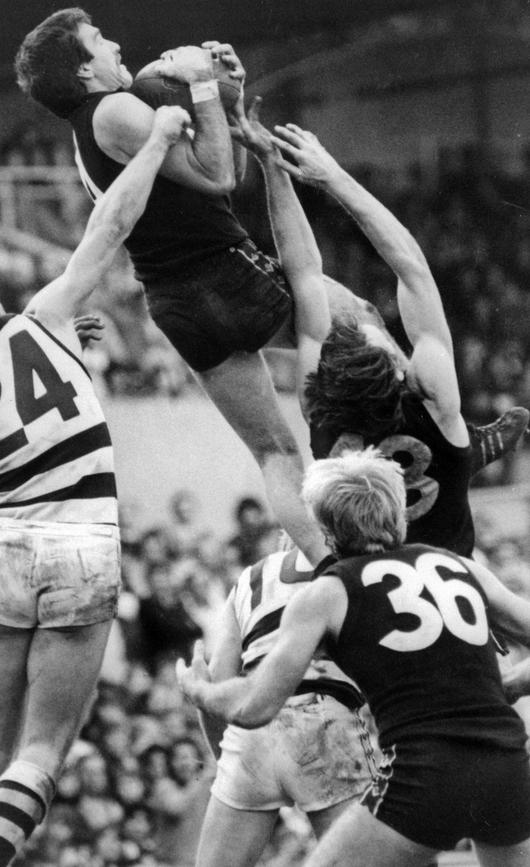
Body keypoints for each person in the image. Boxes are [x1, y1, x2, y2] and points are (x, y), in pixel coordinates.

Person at [0, 104, 192, 867]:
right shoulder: (44, 316)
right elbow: (112, 224)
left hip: (6, 546)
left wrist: (69, 351)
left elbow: (9, 391)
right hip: (80, 541)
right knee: (43, 749)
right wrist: (156, 139)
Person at [13, 7, 374, 566]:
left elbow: (213, 159)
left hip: (176, 304)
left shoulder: (88, 132)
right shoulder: (114, 108)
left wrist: (226, 93)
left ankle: (331, 567)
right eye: (99, 40)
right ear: (84, 72)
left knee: (274, 450)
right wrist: (204, 81)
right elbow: (219, 175)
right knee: (362, 321)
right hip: (223, 272)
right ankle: (440, 444)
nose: (113, 44)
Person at [178, 447, 530, 867]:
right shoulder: (456, 564)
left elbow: (255, 707)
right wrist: (514, 683)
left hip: (425, 773)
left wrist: (200, 691)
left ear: (324, 530)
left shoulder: (330, 590)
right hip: (508, 764)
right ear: (400, 514)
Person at [262, 117, 528, 556]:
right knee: (363, 313)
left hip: (365, 589)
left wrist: (271, 168)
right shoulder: (434, 404)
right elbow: (412, 268)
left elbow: (303, 273)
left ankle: (471, 448)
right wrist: (333, 176)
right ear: (397, 370)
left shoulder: (323, 420)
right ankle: (470, 447)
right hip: (448, 573)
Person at [193, 538, 375, 867]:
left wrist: (229, 763)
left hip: (249, 735)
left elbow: (220, 685)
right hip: (326, 723)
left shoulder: (250, 578)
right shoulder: (362, 567)